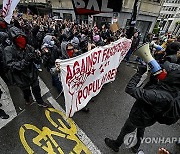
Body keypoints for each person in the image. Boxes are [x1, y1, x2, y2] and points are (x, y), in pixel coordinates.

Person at [105, 60, 180, 153]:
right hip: (149, 118)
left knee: (125, 130)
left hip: (138, 116)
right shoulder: (173, 89)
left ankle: (116, 144)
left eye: (166, 71)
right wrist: (154, 79)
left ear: (171, 77)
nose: (162, 70)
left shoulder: (157, 96)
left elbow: (130, 89)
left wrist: (139, 73)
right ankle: (136, 147)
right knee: (141, 128)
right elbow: (155, 89)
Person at [4, 26, 48, 107]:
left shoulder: (28, 47)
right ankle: (27, 99)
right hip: (21, 77)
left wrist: (38, 55)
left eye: (22, 37)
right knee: (26, 92)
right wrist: (25, 61)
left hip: (32, 74)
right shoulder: (9, 50)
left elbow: (36, 58)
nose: (21, 39)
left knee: (37, 89)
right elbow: (11, 65)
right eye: (18, 38)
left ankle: (40, 101)